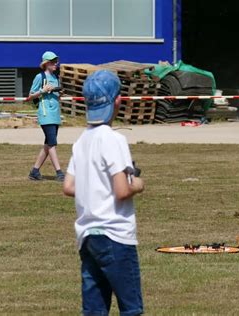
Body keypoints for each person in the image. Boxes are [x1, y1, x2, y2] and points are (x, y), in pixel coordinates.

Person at [63, 70, 145, 316]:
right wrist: (138, 184)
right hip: (115, 235)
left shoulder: (81, 141)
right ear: (117, 101)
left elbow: (68, 186)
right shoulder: (114, 139)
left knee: (94, 309)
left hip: (88, 238)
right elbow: (122, 190)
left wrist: (95, 186)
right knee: (131, 309)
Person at [28, 51, 65, 182]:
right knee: (52, 144)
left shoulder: (56, 78)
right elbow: (30, 96)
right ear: (46, 63)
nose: (56, 64)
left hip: (55, 114)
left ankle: (34, 171)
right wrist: (42, 91)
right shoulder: (40, 77)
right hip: (45, 114)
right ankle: (59, 172)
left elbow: (56, 96)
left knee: (48, 144)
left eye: (56, 62)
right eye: (53, 62)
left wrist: (59, 93)